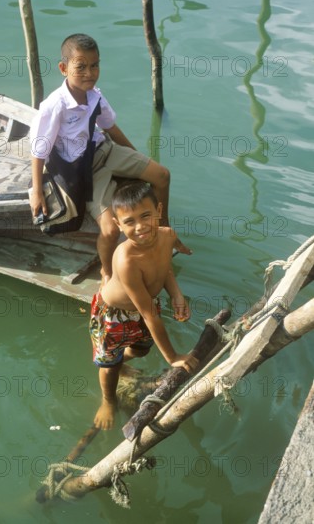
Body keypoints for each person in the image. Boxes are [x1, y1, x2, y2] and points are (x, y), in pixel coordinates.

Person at [29, 33, 191, 283]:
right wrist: (38, 191)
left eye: (94, 65)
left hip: (105, 150)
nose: (89, 73)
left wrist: (137, 159)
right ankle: (106, 270)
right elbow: (39, 150)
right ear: (63, 68)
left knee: (161, 175)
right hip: (84, 172)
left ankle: (161, 231)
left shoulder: (95, 95)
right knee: (110, 229)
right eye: (80, 66)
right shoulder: (54, 106)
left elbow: (111, 129)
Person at [89, 180, 198, 430]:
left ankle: (122, 362)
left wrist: (177, 295)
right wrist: (173, 357)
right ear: (118, 225)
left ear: (159, 211)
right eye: (129, 222)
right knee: (108, 364)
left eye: (146, 216)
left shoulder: (168, 235)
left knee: (141, 349)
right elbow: (149, 315)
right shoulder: (126, 260)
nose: (140, 227)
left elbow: (165, 267)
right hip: (113, 315)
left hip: (144, 305)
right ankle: (108, 399)